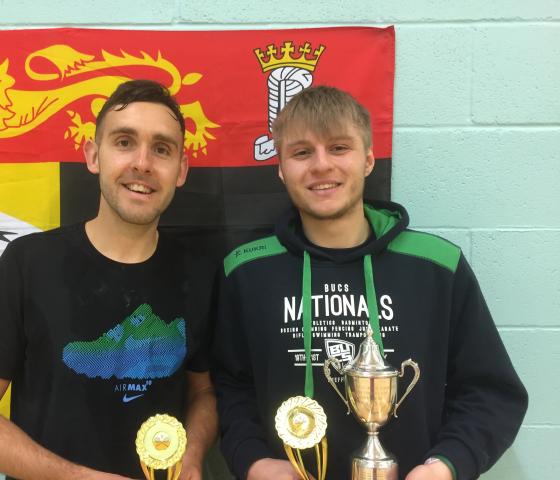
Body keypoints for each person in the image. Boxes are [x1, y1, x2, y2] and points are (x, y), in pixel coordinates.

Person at [212, 86, 528, 480]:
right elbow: (228, 389)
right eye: (301, 152)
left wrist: (446, 467)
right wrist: (252, 461)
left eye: (339, 147)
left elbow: (491, 393)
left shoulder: (437, 267)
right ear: (280, 168)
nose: (321, 165)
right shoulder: (245, 271)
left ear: (368, 160)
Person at [0, 79, 218, 480]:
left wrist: (192, 455)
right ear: (93, 156)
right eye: (124, 142)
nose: (142, 163)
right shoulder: (28, 263)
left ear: (181, 170)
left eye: (161, 149)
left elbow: (205, 392)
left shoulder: (201, 273)